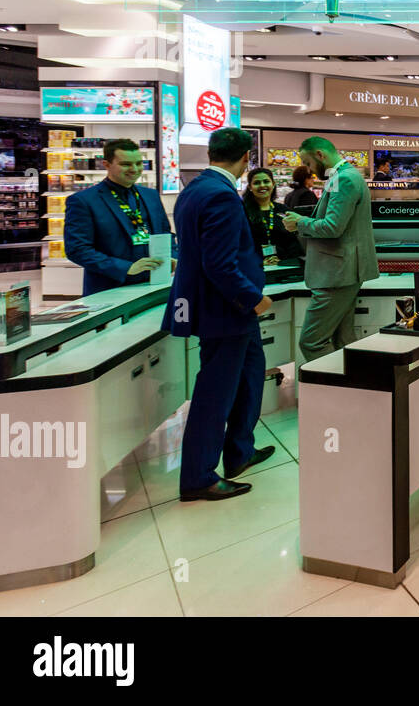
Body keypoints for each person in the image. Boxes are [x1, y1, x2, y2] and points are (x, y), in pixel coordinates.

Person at [163, 128, 274, 502]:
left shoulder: (195, 189)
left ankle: (240, 451)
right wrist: (252, 298)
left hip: (224, 311)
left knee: (250, 377)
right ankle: (198, 476)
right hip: (227, 311)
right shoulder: (222, 197)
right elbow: (220, 264)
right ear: (246, 158)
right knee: (215, 394)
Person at [282, 136, 380, 361]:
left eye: (307, 163)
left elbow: (333, 226)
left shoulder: (344, 179)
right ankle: (351, 390)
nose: (308, 169)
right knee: (343, 340)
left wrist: (300, 223)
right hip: (342, 271)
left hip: (337, 274)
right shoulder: (340, 177)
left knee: (312, 342)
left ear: (320, 155)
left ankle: (338, 390)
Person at [65, 138, 176, 296]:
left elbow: (166, 234)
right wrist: (126, 268)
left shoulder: (150, 196)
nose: (134, 169)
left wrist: (174, 257)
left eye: (138, 163)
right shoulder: (83, 201)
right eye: (126, 164)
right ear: (106, 165)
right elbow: (77, 250)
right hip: (110, 290)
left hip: (154, 284)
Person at [243, 167, 303, 266]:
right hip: (253, 267)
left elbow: (292, 242)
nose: (262, 185)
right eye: (257, 183)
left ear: (273, 184)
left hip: (283, 267)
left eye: (266, 181)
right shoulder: (242, 212)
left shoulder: (284, 210)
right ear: (250, 187)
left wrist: (282, 260)